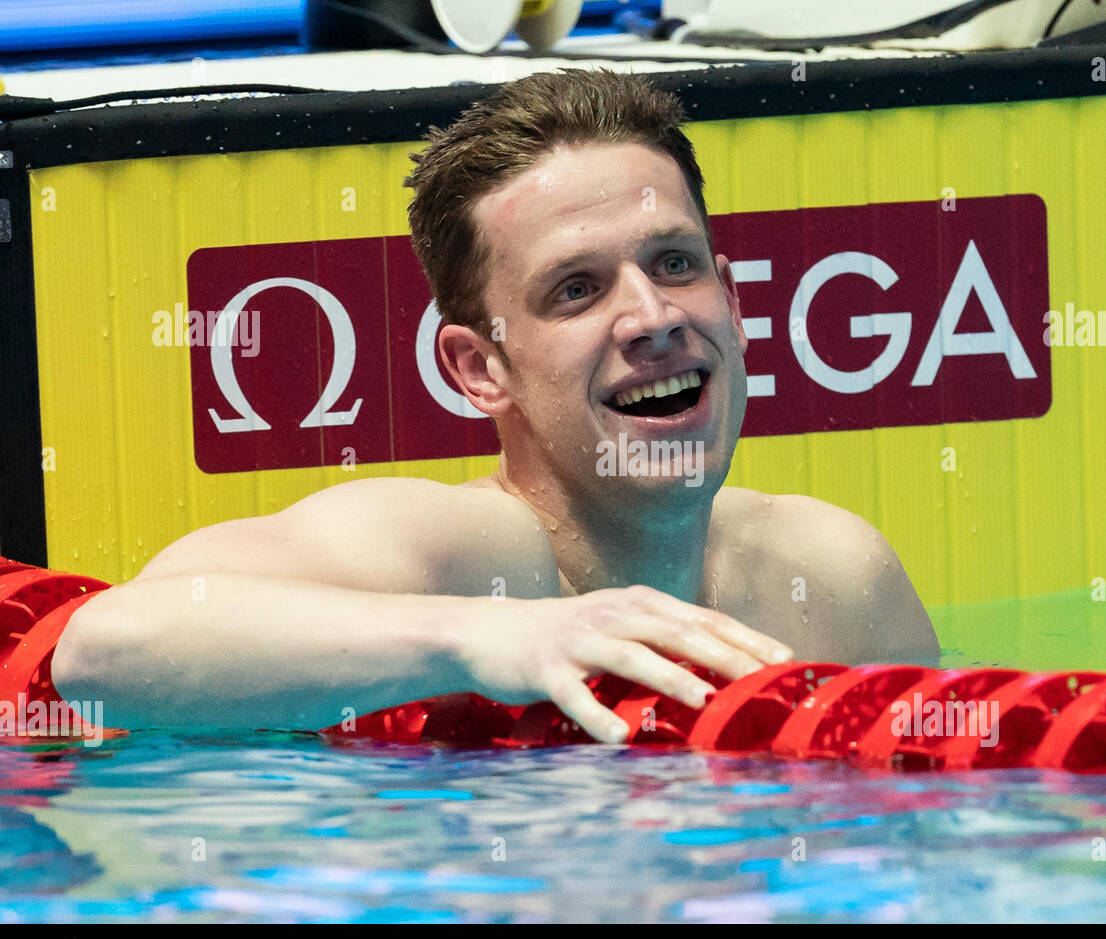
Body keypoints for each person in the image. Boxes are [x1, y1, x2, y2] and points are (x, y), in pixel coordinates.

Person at [51, 68, 938, 743]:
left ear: (735, 304)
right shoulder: (453, 556)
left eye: (675, 263)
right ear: (481, 369)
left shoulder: (832, 580)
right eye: (578, 290)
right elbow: (103, 652)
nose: (654, 316)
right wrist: (493, 636)